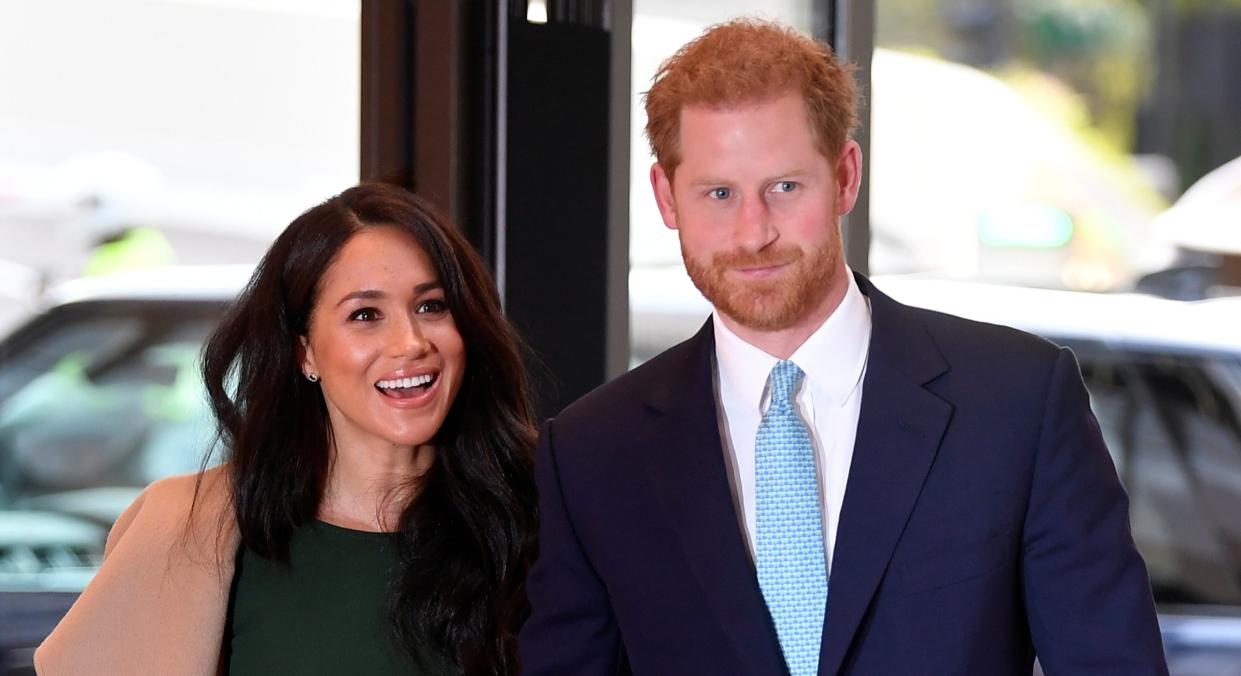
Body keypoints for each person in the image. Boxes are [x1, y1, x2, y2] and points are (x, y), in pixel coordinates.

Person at [520, 18, 1168, 675]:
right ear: (665, 197)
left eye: (783, 187)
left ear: (845, 176)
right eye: (718, 194)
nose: (754, 233)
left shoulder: (1015, 403)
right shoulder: (591, 455)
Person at [36, 183, 537, 675]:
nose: (409, 342)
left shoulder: (539, 512)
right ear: (306, 351)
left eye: (432, 306)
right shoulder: (195, 528)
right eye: (366, 315)